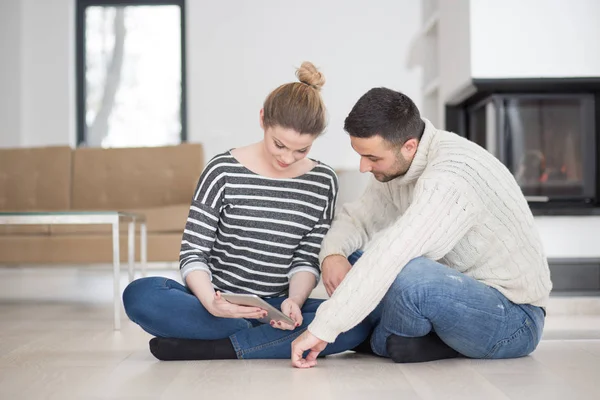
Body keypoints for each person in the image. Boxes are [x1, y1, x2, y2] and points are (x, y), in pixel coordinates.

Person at [122, 62, 372, 361]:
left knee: (357, 321)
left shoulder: (323, 181)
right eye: (279, 144)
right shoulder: (222, 170)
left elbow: (306, 257)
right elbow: (193, 253)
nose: (287, 157)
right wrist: (213, 304)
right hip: (216, 302)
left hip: (279, 307)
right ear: (263, 119)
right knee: (140, 295)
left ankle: (218, 348)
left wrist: (294, 300)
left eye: (301, 150)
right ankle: (253, 338)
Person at [290, 87, 552, 368]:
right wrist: (333, 254)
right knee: (352, 260)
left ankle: (376, 340)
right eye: (361, 155)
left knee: (409, 276)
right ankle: (393, 335)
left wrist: (323, 328)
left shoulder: (450, 176)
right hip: (447, 291)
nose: (363, 167)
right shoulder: (397, 166)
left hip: (514, 318)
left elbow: (394, 253)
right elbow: (357, 218)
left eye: (373, 158)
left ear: (409, 146)